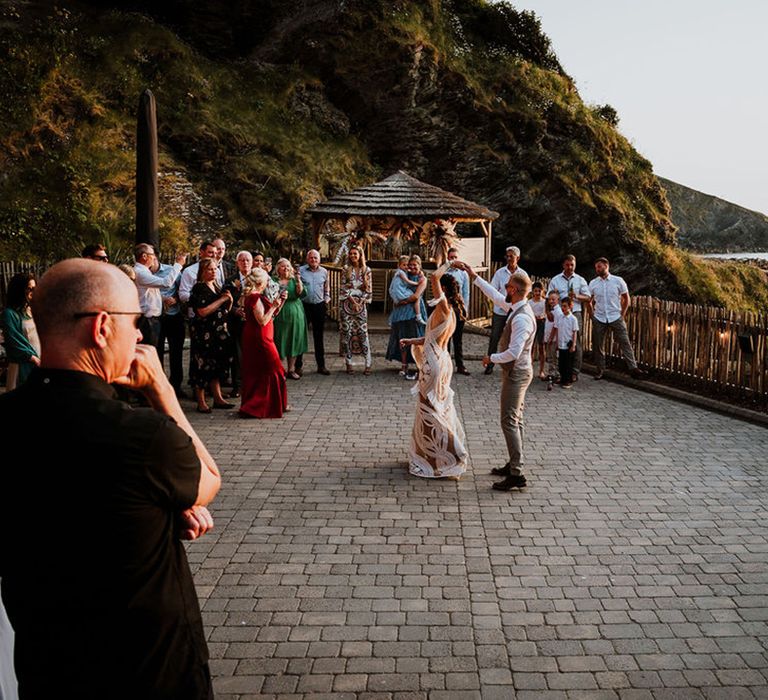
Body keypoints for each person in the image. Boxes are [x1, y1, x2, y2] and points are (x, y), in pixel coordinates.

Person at [0, 258, 221, 698]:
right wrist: (160, 388)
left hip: (48, 666)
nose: (139, 334)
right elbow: (207, 479)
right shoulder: (143, 435)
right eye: (133, 321)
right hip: (146, 669)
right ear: (102, 327)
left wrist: (149, 517)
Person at [456, 261, 536, 491]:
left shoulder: (521, 317)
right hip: (517, 371)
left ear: (513, 290)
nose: (504, 290)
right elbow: (495, 296)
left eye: (507, 287)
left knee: (509, 421)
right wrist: (474, 276)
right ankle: (514, 463)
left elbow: (514, 352)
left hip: (517, 373)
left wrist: (492, 358)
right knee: (516, 420)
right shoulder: (518, 306)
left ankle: (517, 473)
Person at [400, 263, 468, 479]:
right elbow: (432, 338)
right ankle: (430, 455)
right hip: (443, 360)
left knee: (430, 410)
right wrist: (411, 340)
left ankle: (453, 455)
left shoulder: (444, 308)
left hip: (433, 364)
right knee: (435, 408)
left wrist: (450, 263)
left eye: (437, 289)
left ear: (444, 290)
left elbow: (434, 277)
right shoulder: (452, 314)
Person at [238, 268, 290, 419]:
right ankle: (262, 405)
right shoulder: (254, 297)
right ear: (260, 282)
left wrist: (280, 303)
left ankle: (276, 403)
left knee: (260, 370)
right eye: (267, 279)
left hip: (261, 336)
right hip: (260, 338)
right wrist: (273, 306)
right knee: (274, 368)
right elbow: (262, 321)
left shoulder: (255, 296)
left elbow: (272, 316)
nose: (269, 282)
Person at [188, 258, 234, 413]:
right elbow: (202, 311)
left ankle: (218, 397)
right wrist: (222, 300)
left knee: (216, 365)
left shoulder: (216, 285)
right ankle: (201, 401)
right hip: (204, 334)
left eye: (215, 269)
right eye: (210, 269)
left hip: (218, 333)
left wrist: (229, 300)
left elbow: (224, 308)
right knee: (202, 365)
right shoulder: (199, 288)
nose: (213, 272)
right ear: (202, 271)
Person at [589, 257, 646, 380]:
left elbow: (627, 298)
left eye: (599, 267)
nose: (597, 269)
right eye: (596, 267)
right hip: (599, 317)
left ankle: (633, 368)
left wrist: (622, 314)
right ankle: (600, 370)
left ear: (606, 266)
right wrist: (592, 315)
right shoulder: (593, 283)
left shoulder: (618, 281)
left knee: (625, 342)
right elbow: (589, 301)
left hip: (616, 316)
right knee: (598, 345)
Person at [133, 243, 185, 350]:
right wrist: (178, 264)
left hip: (153, 319)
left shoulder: (144, 271)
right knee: (150, 352)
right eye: (152, 254)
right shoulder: (140, 272)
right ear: (144, 256)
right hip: (147, 321)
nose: (154, 257)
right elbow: (166, 283)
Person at [547, 254, 590, 381]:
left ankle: (574, 371)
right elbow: (549, 296)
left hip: (574, 313)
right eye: (567, 264)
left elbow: (587, 297)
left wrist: (576, 296)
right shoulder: (556, 280)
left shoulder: (580, 280)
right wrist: (549, 310)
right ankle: (559, 370)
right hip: (559, 313)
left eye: (572, 265)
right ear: (563, 265)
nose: (570, 267)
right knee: (558, 341)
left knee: (576, 341)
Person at [485, 245, 527, 374]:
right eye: (507, 256)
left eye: (511, 256)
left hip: (514, 312)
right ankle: (490, 364)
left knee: (511, 339)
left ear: (517, 258)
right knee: (495, 337)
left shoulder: (522, 274)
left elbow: (526, 293)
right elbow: (492, 289)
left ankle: (510, 366)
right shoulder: (500, 272)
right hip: (500, 311)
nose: (508, 258)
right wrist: (498, 302)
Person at [385, 255, 427, 380]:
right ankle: (404, 364)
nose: (412, 267)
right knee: (401, 337)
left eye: (415, 265)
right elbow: (397, 287)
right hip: (401, 312)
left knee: (416, 338)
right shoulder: (405, 274)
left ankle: (420, 365)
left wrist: (401, 302)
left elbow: (415, 297)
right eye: (410, 265)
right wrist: (396, 300)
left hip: (414, 311)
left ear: (420, 265)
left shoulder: (422, 279)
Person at [1, 273, 40, 390]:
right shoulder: (10, 314)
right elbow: (13, 340)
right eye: (29, 288)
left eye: (35, 288)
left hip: (38, 364)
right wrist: (32, 358)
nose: (33, 291)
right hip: (21, 366)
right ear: (19, 290)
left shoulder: (33, 310)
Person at [222, 250, 253, 398]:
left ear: (252, 262)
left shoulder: (258, 278)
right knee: (238, 356)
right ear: (237, 263)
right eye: (242, 260)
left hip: (254, 322)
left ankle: (253, 384)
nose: (245, 263)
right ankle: (238, 386)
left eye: (247, 260)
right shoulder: (230, 281)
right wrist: (235, 310)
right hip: (237, 324)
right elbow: (225, 300)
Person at [339, 245, 373, 374]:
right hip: (347, 306)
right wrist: (354, 300)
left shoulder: (367, 270)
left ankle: (368, 363)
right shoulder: (345, 269)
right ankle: (349, 363)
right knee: (347, 333)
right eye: (351, 253)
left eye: (355, 253)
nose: (353, 256)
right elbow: (343, 288)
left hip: (361, 306)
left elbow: (368, 289)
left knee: (363, 333)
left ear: (360, 255)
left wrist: (360, 302)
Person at [297, 250, 331, 376]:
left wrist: (326, 299)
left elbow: (326, 288)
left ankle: (321, 366)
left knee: (319, 337)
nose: (313, 260)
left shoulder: (324, 271)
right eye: (311, 257)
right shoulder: (301, 271)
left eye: (315, 258)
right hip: (304, 306)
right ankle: (298, 366)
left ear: (319, 259)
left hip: (319, 306)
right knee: (301, 336)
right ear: (307, 259)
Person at [272, 258, 308, 380]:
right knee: (279, 340)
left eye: (288, 266)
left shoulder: (294, 280)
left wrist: (298, 280)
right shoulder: (273, 281)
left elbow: (301, 293)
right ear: (278, 269)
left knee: (294, 340)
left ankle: (291, 369)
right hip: (279, 313)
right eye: (283, 266)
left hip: (295, 313)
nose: (286, 268)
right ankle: (280, 369)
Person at [158, 256, 188, 399]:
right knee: (157, 353)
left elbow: (182, 289)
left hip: (174, 315)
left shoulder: (171, 270)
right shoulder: (143, 273)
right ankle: (159, 387)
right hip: (156, 317)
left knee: (176, 353)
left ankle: (176, 386)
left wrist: (175, 299)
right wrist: (160, 299)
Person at [444, 247, 471, 375]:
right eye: (451, 257)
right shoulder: (444, 271)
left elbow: (466, 293)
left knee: (458, 338)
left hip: (458, 307)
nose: (454, 259)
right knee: (446, 337)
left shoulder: (463, 273)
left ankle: (460, 365)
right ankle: (445, 364)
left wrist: (465, 309)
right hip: (446, 307)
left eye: (455, 257)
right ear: (448, 258)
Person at [178, 240, 218, 316]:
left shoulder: (216, 270)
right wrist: (200, 299)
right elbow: (183, 295)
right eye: (210, 252)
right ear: (201, 252)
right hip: (196, 314)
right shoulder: (189, 271)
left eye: (215, 253)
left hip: (216, 313)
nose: (214, 256)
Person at [554, 296, 579, 389]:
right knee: (561, 363)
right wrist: (557, 342)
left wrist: (574, 345)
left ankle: (568, 380)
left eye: (565, 306)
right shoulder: (560, 317)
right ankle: (562, 378)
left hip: (569, 344)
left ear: (570, 306)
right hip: (561, 344)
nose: (563, 308)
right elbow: (557, 330)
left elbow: (574, 332)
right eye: (562, 306)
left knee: (568, 363)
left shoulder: (573, 319)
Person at [528, 281, 547, 380]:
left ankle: (541, 370)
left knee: (541, 346)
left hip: (542, 324)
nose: (537, 293)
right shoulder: (529, 303)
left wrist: (542, 316)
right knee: (531, 347)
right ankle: (529, 369)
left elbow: (546, 313)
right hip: (532, 324)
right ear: (532, 292)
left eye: (539, 291)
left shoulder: (544, 302)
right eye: (535, 291)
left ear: (542, 291)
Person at [543, 290, 563, 384]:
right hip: (548, 337)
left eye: (553, 299)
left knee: (554, 357)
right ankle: (551, 373)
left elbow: (556, 327)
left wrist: (551, 338)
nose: (551, 301)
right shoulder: (551, 310)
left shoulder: (558, 311)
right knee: (550, 357)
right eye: (550, 299)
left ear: (558, 300)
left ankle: (557, 374)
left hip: (554, 339)